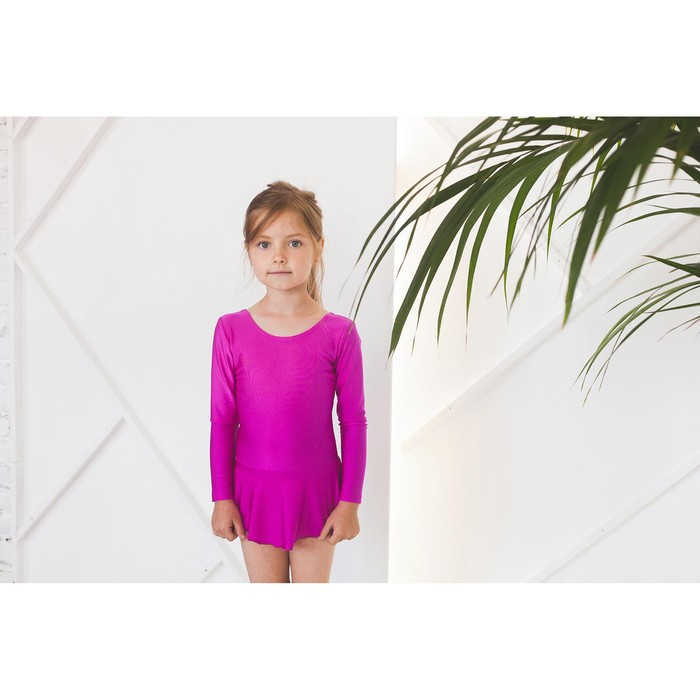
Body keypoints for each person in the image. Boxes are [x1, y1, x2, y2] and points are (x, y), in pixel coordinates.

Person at [209, 180, 368, 583]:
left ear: (319, 246)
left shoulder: (340, 334)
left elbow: (353, 422)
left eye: (294, 243)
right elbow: (223, 420)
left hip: (318, 495)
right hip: (253, 494)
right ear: (249, 250)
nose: (278, 256)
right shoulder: (230, 330)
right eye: (264, 244)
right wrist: (222, 498)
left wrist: (350, 502)